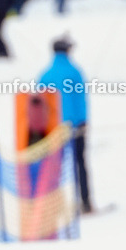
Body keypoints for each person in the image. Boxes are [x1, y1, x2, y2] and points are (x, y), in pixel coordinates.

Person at [38, 35, 93, 213]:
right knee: (80, 164)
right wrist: (83, 121)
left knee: (54, 167)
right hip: (75, 127)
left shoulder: (45, 75)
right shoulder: (74, 71)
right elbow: (80, 100)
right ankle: (85, 202)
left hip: (54, 130)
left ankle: (55, 207)